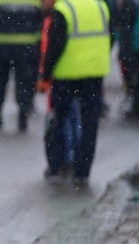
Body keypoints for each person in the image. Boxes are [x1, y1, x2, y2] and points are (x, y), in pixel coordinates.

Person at [38, 0, 111, 185]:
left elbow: (54, 46)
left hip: (67, 73)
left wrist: (45, 74)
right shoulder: (100, 6)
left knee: (59, 119)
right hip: (94, 72)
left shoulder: (64, 9)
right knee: (90, 122)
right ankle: (83, 171)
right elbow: (111, 36)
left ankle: (57, 165)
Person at [37, 0, 81, 176]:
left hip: (62, 75)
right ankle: (73, 161)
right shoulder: (67, 12)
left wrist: (44, 76)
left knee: (62, 120)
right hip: (77, 74)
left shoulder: (57, 16)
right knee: (72, 119)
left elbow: (51, 49)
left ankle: (65, 161)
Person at [0, 0, 43, 131]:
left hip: (2, 48)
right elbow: (40, 23)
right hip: (26, 49)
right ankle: (23, 117)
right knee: (24, 84)